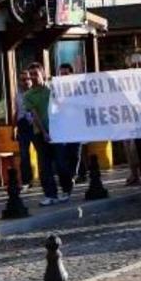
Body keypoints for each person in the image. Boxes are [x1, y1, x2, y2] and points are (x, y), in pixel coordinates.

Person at [23, 63, 68, 206]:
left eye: (36, 74)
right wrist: (44, 133)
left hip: (58, 131)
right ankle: (50, 194)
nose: (33, 77)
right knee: (45, 165)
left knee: (61, 162)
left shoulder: (53, 88)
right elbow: (34, 116)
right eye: (31, 75)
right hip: (40, 133)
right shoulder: (28, 95)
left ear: (43, 73)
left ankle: (66, 190)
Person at [56, 64, 83, 190]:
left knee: (75, 152)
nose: (63, 76)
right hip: (62, 126)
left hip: (76, 125)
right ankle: (67, 178)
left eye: (66, 73)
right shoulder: (56, 89)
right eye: (61, 73)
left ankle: (73, 175)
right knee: (63, 155)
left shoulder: (78, 88)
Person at [15, 70, 34, 190]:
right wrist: (14, 127)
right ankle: (26, 180)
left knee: (42, 152)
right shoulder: (18, 94)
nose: (25, 82)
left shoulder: (35, 92)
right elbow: (17, 111)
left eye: (27, 79)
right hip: (23, 124)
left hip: (36, 124)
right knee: (24, 154)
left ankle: (46, 178)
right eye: (23, 80)